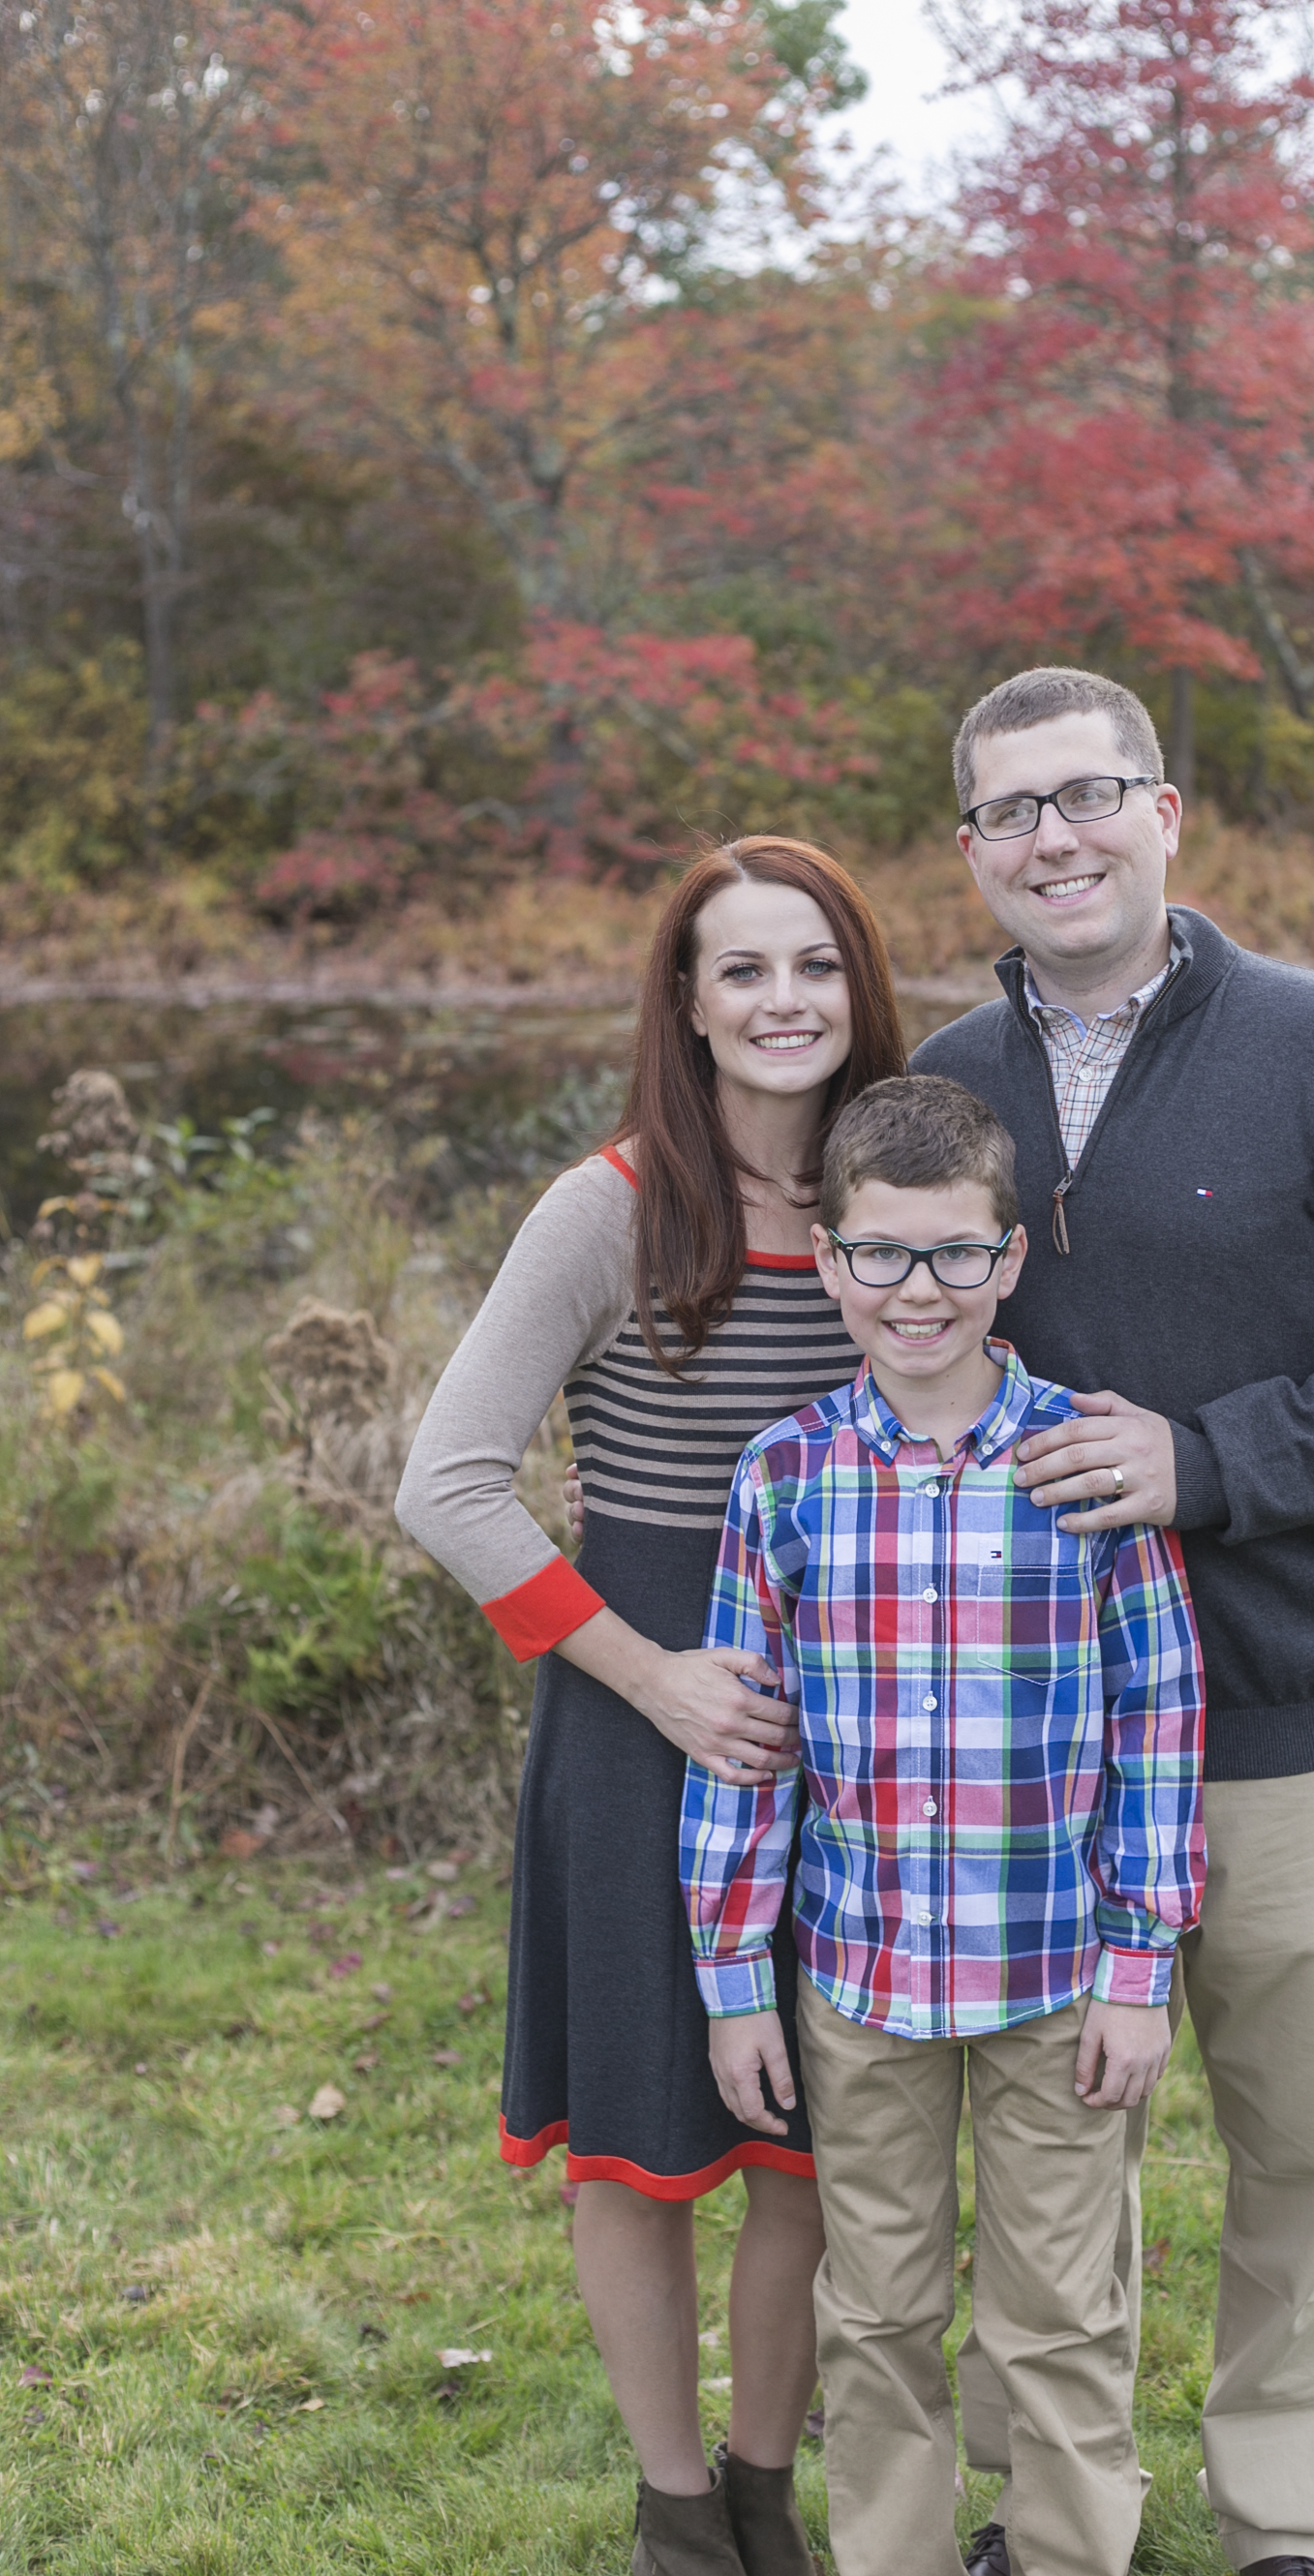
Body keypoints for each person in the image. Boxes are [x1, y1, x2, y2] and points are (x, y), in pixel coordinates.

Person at [904, 667, 1314, 2576]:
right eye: (1012, 812)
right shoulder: (946, 1084)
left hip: (1291, 1703)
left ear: (1166, 814)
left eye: (1088, 794)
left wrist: (1215, 1462)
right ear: (972, 853)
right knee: (1044, 2169)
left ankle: (1285, 2517)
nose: (1055, 838)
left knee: (1307, 2150)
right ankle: (1057, 2515)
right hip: (1028, 1733)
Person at [395, 838, 906, 2576]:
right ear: (685, 1005)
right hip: (645, 1709)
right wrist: (655, 1677)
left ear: (863, 986)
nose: (784, 1003)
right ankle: (677, 2512)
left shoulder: (899, 1196)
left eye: (815, 965)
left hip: (857, 1724)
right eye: (742, 970)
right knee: (641, 2130)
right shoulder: (610, 1207)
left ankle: (767, 2492)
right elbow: (448, 1485)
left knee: (809, 2140)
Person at [680, 1075, 1206, 2576]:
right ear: (833, 1262)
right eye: (887, 1256)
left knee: (1061, 2310)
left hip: (1055, 1982)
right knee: (882, 2307)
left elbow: (1157, 1725)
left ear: (1011, 1260)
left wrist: (1138, 1964)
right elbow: (746, 1752)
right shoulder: (785, 1478)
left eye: (959, 1255)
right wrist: (734, 1986)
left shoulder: (1083, 1464)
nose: (924, 1292)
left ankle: (1061, 2553)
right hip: (863, 1985)